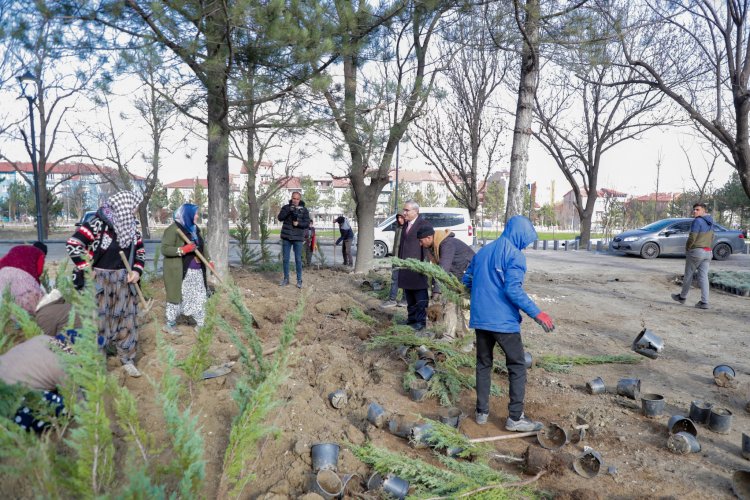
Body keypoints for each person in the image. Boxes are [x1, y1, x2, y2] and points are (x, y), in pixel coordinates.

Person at [462, 215, 555, 431]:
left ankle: (482, 413)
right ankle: (515, 418)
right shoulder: (515, 256)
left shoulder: (484, 251)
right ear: (520, 234)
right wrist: (537, 314)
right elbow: (512, 290)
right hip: (503, 322)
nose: (527, 244)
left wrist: (482, 295)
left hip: (481, 320)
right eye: (527, 239)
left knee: (483, 364)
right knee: (517, 366)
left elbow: (466, 280)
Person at [66, 190, 145, 378]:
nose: (135, 211)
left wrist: (136, 271)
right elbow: (73, 244)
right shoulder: (97, 223)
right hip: (99, 280)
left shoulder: (133, 228)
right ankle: (97, 363)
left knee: (127, 320)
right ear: (123, 206)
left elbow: (140, 253)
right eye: (134, 207)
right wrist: (86, 267)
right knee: (97, 321)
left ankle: (127, 359)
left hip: (123, 281)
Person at [0, 330, 79, 432]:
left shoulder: (43, 338)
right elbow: (77, 404)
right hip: (7, 400)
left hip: (5, 376)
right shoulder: (67, 366)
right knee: (64, 407)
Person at [161, 203, 212, 334]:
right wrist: (182, 250)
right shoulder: (173, 230)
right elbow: (165, 249)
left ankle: (200, 324)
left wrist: (209, 260)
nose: (196, 216)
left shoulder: (194, 229)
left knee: (200, 295)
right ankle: (170, 324)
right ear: (186, 214)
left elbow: (202, 246)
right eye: (195, 213)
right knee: (177, 297)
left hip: (196, 270)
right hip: (179, 272)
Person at [418, 226, 475, 340]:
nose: (420, 244)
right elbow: (436, 269)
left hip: (468, 277)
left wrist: (437, 291)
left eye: (421, 240)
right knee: (449, 306)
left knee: (465, 309)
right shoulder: (433, 247)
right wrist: (435, 288)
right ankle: (449, 337)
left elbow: (443, 269)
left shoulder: (447, 244)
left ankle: (468, 340)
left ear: (429, 238)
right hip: (454, 278)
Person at [397, 200, 433, 331]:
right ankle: (411, 319)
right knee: (409, 295)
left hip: (418, 267)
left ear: (416, 211)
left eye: (407, 210)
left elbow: (427, 247)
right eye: (404, 210)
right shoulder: (406, 225)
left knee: (420, 295)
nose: (404, 213)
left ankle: (420, 321)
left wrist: (424, 265)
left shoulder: (423, 224)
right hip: (406, 267)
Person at [672, 202, 715, 310]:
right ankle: (704, 302)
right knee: (704, 277)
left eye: (697, 209)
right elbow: (713, 236)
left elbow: (692, 237)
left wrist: (687, 248)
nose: (695, 211)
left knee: (688, 275)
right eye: (694, 209)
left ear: (703, 210)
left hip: (696, 251)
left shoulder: (697, 221)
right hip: (708, 252)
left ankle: (682, 297)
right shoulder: (711, 222)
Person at [277, 191, 311, 288]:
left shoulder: (304, 210)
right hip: (286, 237)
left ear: (299, 199)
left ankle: (299, 280)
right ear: (291, 198)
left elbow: (307, 223)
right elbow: (280, 218)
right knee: (286, 259)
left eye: (297, 199)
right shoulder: (286, 207)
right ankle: (286, 279)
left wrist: (298, 224)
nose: (295, 200)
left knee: (298, 260)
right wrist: (289, 211)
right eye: (293, 198)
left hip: (298, 238)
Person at [0, 245, 45, 314]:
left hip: (3, 272)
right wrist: (37, 286)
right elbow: (39, 271)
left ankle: (13, 320)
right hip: (21, 274)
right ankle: (29, 319)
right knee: (31, 297)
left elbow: (3, 259)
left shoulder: (17, 248)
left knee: (12, 298)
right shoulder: (40, 253)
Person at [381, 213, 406, 308]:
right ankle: (392, 299)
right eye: (398, 218)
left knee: (405, 279)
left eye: (401, 217)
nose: (400, 220)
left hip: (405, 259)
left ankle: (405, 299)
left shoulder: (407, 229)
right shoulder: (398, 228)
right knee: (394, 279)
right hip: (396, 258)